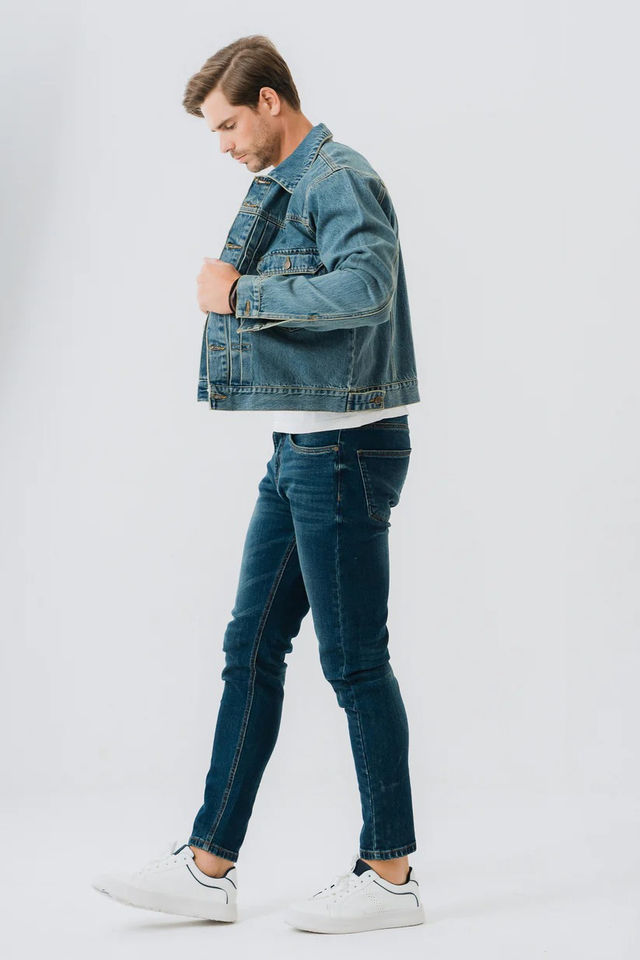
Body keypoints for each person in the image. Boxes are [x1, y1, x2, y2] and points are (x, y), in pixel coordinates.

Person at [92, 34, 425, 935]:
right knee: (250, 647)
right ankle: (209, 868)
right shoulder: (288, 183)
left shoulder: (336, 178)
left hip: (345, 452)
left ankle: (390, 875)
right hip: (301, 449)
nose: (225, 144)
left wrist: (237, 295)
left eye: (229, 124)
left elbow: (366, 287)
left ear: (271, 100)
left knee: (354, 663)